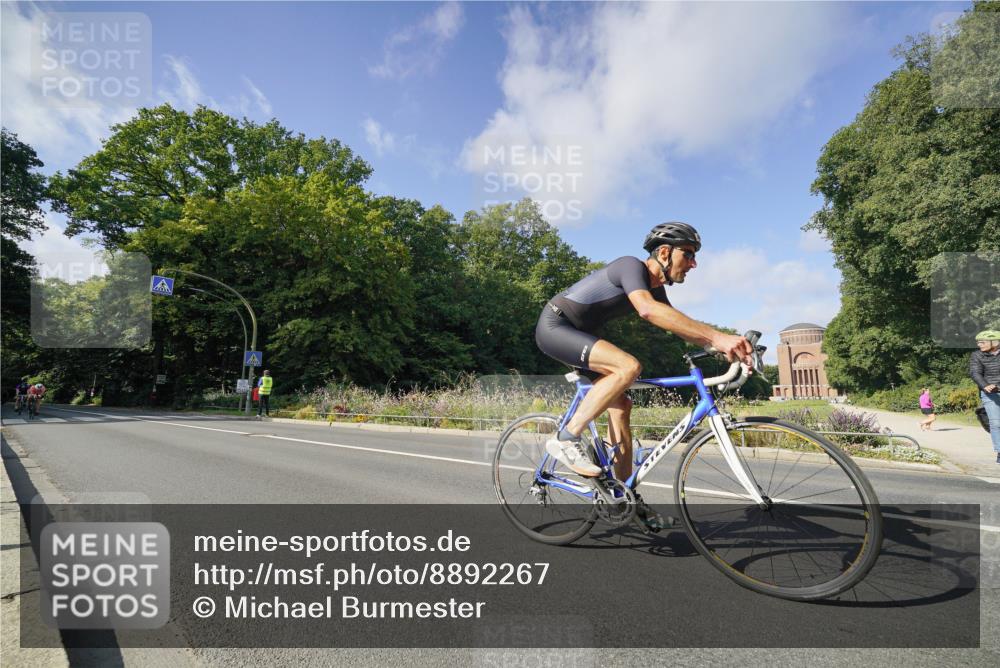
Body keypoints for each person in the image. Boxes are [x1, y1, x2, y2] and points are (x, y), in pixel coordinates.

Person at [535, 221, 754, 527]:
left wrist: (724, 346)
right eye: (688, 254)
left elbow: (677, 325)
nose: (694, 263)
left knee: (621, 404)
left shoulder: (657, 290)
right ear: (664, 252)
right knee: (628, 366)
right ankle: (566, 438)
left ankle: (622, 496)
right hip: (556, 327)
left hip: (581, 336)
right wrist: (718, 337)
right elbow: (648, 310)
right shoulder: (629, 267)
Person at [970, 330, 1000, 464]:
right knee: (996, 423)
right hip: (990, 393)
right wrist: (985, 385)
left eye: (982, 342)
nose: (979, 344)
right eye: (978, 342)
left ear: (995, 342)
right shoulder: (977, 355)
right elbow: (975, 373)